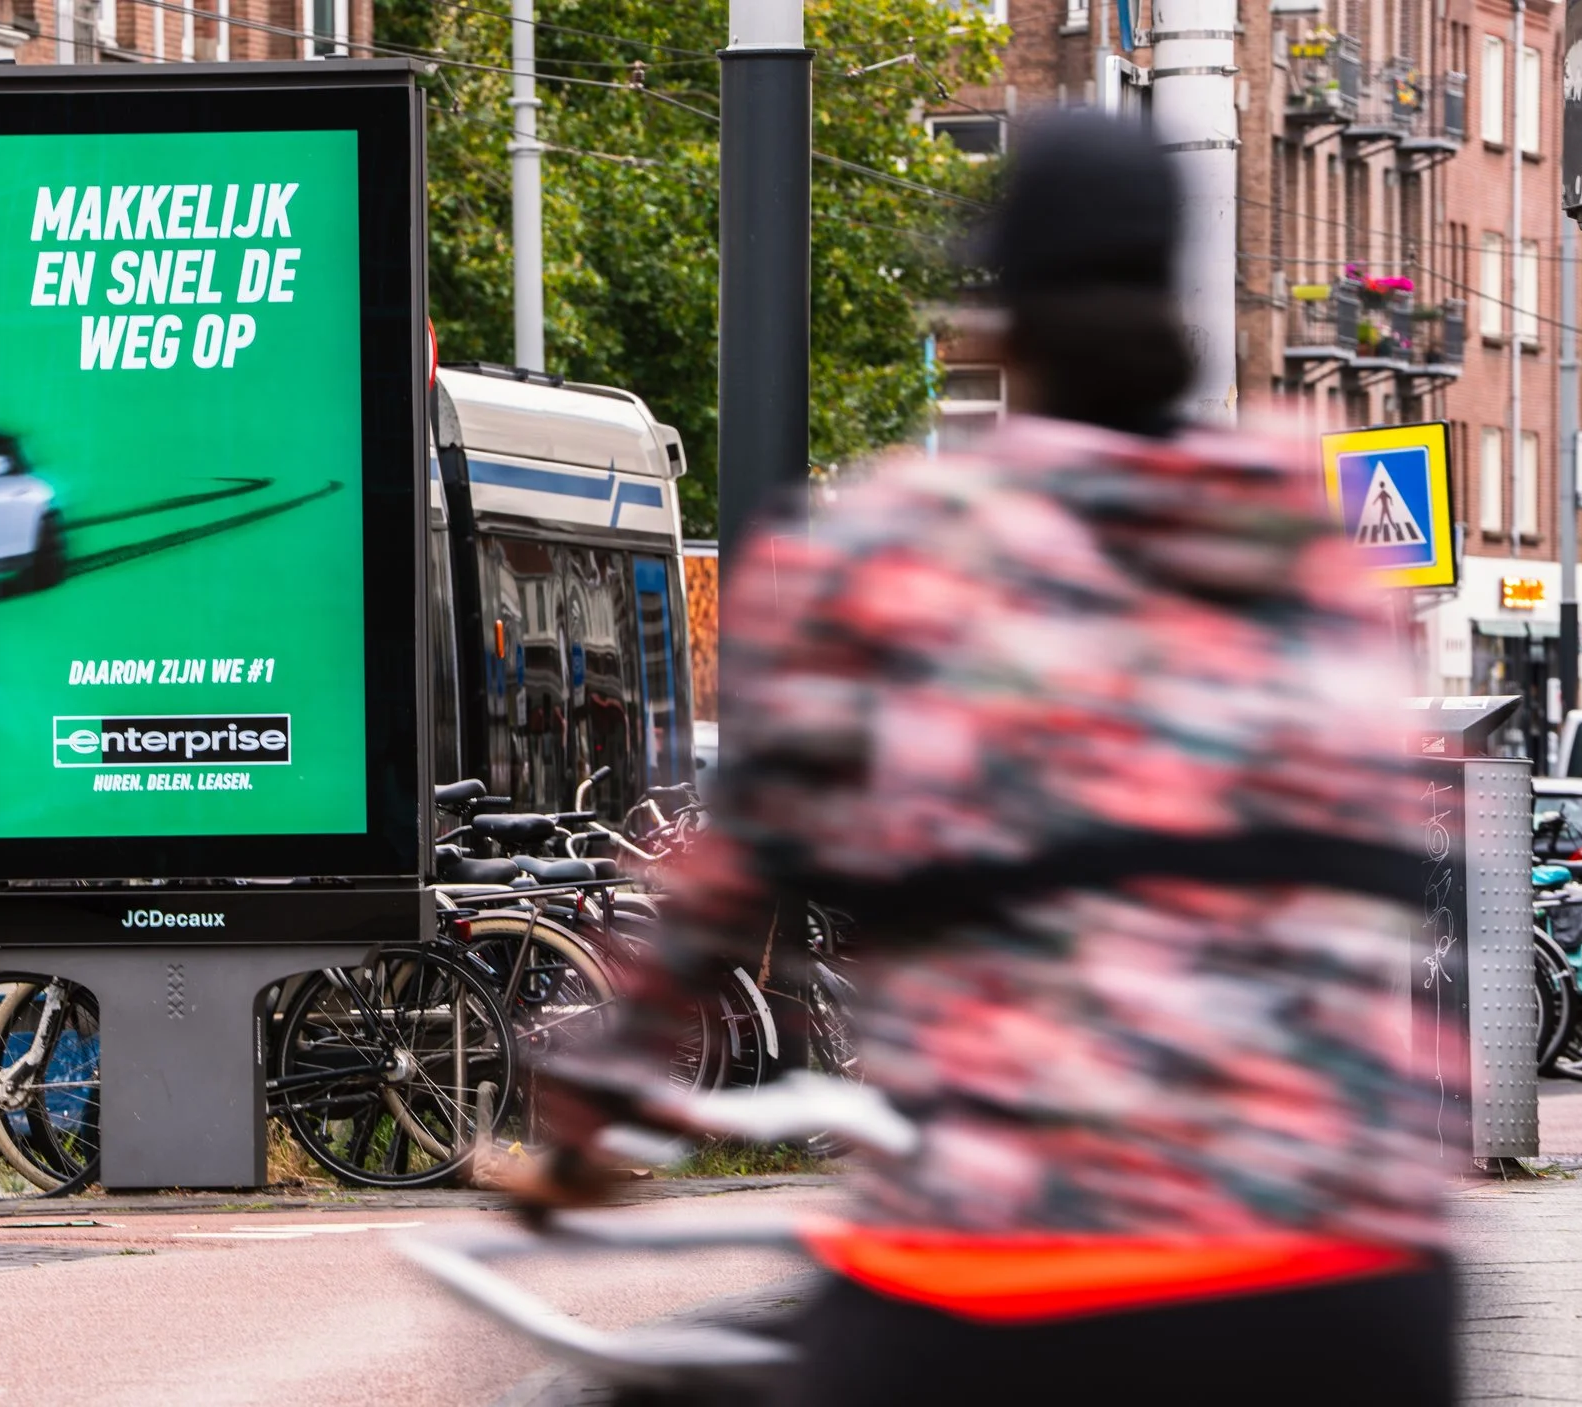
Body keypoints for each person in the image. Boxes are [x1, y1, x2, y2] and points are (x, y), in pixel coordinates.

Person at [525, 112, 1452, 1403]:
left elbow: (723, 890)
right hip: (1359, 1283)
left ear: (1003, 325)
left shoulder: (910, 542)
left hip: (1029, 1277)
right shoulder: (1311, 535)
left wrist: (589, 1109)